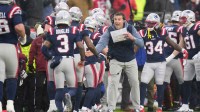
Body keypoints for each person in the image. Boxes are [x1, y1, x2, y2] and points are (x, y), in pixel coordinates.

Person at [139, 13, 188, 112]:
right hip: (148, 63)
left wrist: (182, 50)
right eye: (148, 23)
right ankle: (140, 106)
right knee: (143, 83)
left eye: (152, 23)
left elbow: (173, 44)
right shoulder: (143, 33)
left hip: (160, 63)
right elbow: (135, 42)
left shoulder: (162, 32)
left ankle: (160, 107)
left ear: (156, 24)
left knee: (160, 85)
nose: (149, 25)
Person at [95, 12, 144, 112]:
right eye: (115, 19)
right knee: (113, 83)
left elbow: (141, 43)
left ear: (123, 21)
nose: (117, 21)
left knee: (135, 83)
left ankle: (137, 107)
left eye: (119, 19)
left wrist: (132, 38)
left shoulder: (130, 28)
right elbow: (101, 43)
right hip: (115, 60)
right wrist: (93, 52)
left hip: (130, 59)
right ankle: (111, 108)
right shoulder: (110, 29)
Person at [41, 10, 85, 112]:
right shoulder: (73, 30)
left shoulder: (52, 31)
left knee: (59, 90)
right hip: (69, 60)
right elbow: (80, 46)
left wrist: (51, 57)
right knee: (73, 87)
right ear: (68, 20)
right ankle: (69, 95)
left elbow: (44, 48)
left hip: (57, 62)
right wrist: (83, 59)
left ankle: (60, 109)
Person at [0, 0, 27, 111]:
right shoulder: (13, 9)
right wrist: (23, 36)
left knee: (0, 77)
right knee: (12, 76)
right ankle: (10, 105)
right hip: (10, 46)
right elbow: (19, 28)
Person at [177, 10, 200, 112]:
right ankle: (185, 105)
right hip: (188, 58)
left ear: (190, 18)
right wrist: (169, 57)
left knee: (199, 82)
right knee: (186, 82)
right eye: (181, 18)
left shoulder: (197, 27)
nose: (182, 21)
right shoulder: (183, 29)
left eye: (184, 18)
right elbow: (181, 45)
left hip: (198, 57)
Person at [28, 25, 49, 112]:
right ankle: (46, 107)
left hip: (41, 68)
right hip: (49, 68)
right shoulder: (50, 39)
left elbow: (31, 53)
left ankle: (38, 107)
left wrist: (30, 64)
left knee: (39, 88)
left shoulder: (36, 40)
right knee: (47, 88)